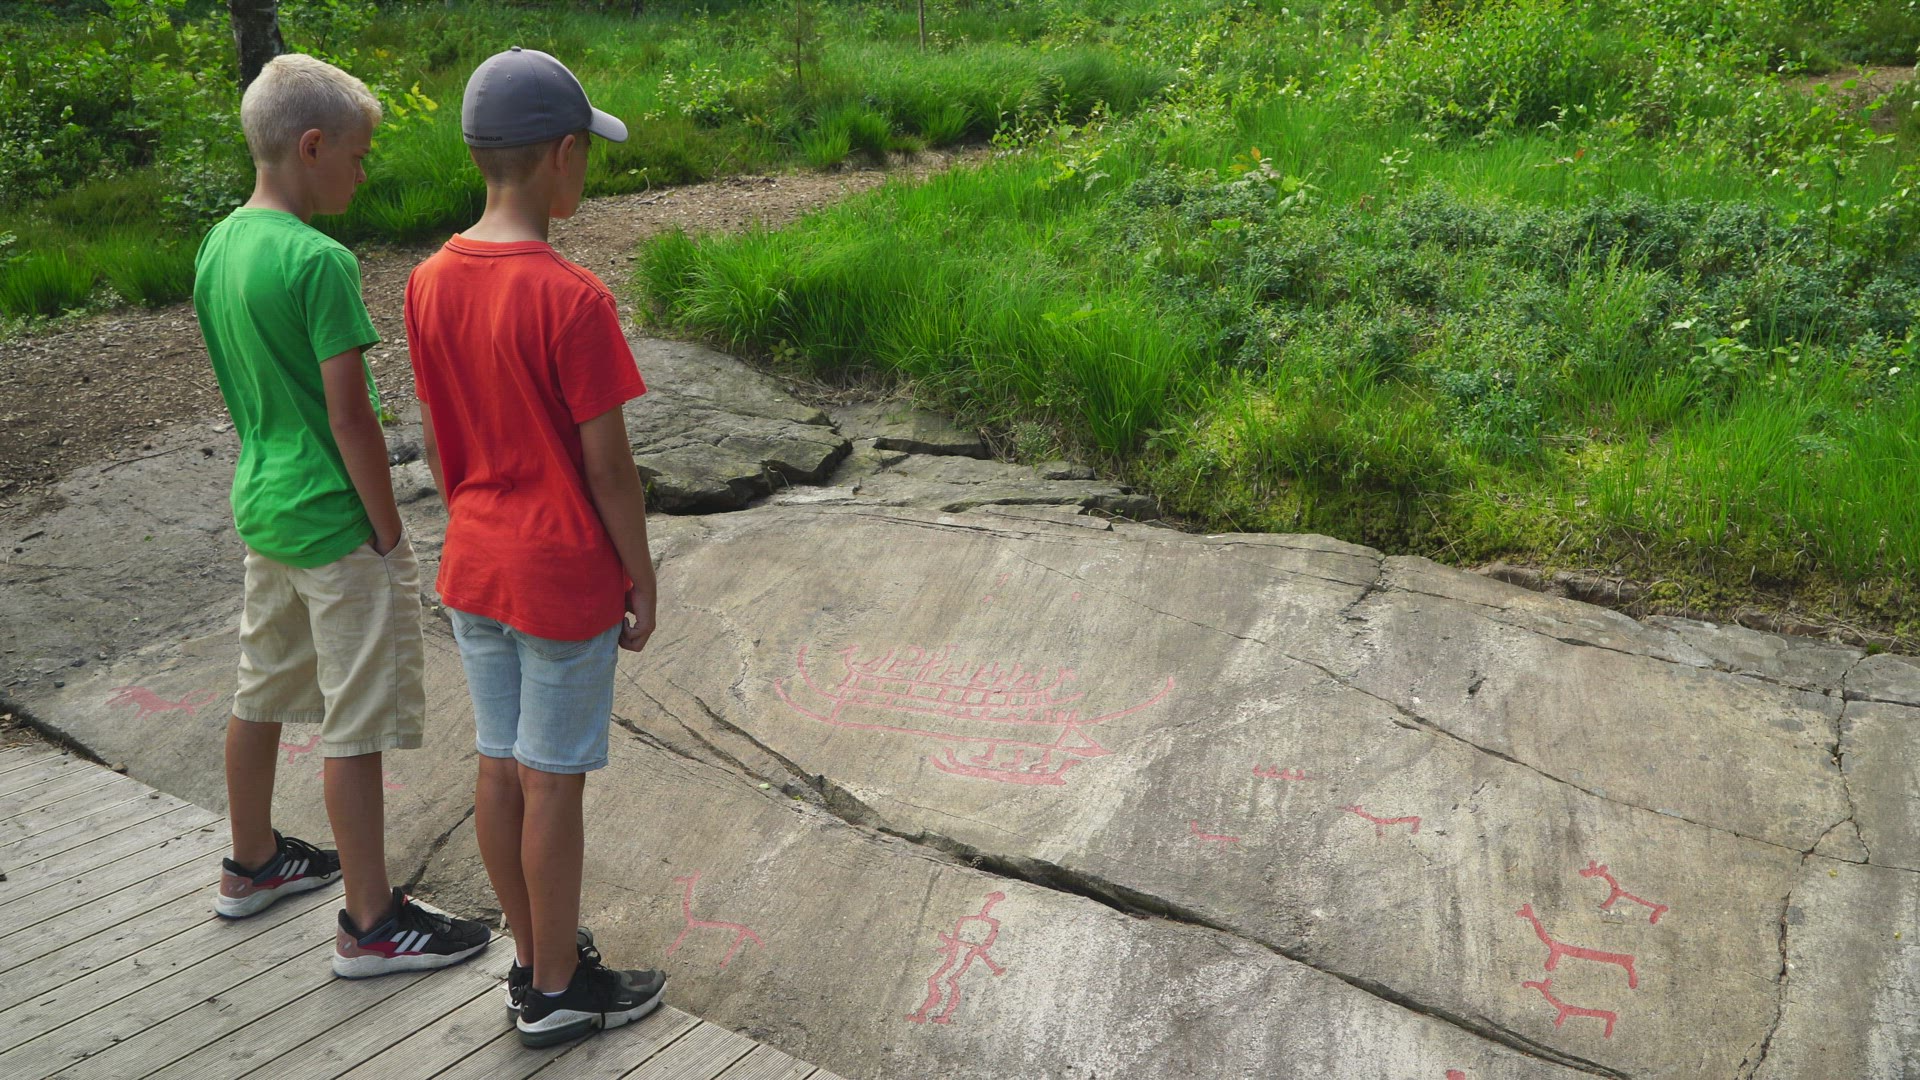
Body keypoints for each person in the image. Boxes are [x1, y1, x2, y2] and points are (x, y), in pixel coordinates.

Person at [193, 52, 490, 978]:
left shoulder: (219, 244)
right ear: (312, 146)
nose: (363, 175)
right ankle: (371, 923)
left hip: (264, 507)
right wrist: (388, 531)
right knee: (355, 724)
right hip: (334, 523)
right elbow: (352, 417)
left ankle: (251, 862)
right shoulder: (320, 260)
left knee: (260, 691)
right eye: (357, 157)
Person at [404, 47, 665, 1047]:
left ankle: (531, 953)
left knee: (500, 764)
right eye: (586, 151)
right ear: (561, 155)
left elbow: (437, 441)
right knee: (553, 778)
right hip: (558, 577)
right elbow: (610, 470)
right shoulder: (574, 298)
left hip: (474, 566)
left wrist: (479, 516)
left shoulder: (428, 280)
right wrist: (640, 574)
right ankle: (557, 989)